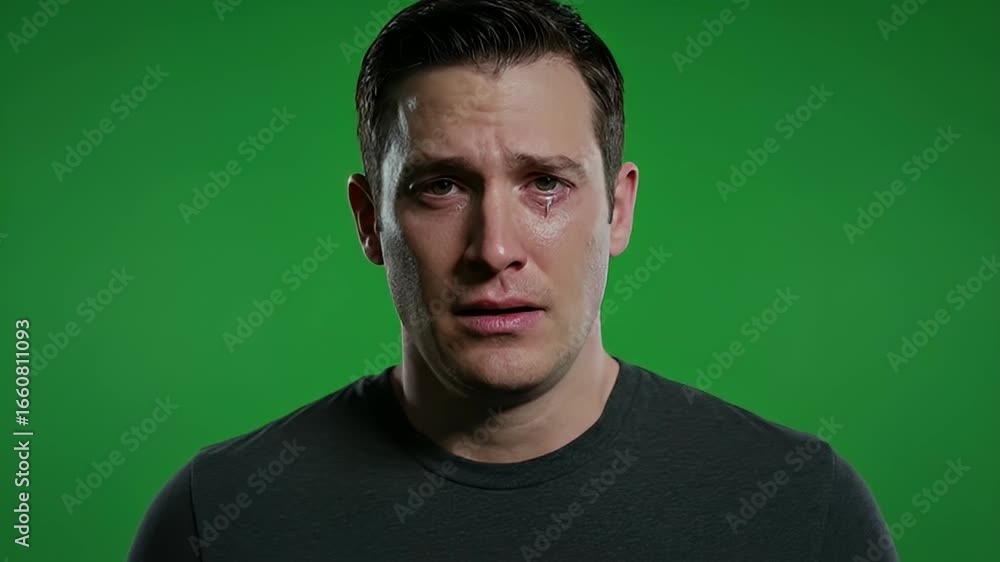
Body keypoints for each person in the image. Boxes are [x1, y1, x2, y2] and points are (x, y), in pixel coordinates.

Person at [128, 1, 898, 560]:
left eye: (546, 184)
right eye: (441, 186)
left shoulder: (803, 511)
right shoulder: (218, 521)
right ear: (369, 221)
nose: (495, 248)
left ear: (619, 210)